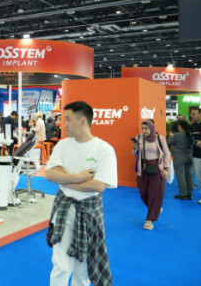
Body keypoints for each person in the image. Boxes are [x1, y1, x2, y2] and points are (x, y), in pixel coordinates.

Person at [45, 101, 117, 286]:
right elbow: (50, 174)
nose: (64, 124)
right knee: (60, 265)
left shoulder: (104, 150)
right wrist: (79, 177)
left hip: (89, 214)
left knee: (83, 270)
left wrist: (65, 180)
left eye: (68, 119)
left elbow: (98, 185)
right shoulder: (62, 145)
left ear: (82, 121)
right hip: (64, 211)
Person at [131, 120, 171, 230]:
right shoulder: (139, 137)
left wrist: (166, 168)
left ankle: (149, 220)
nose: (144, 131)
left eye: (146, 128)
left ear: (151, 128)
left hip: (156, 169)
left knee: (153, 194)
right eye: (142, 128)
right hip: (143, 169)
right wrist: (134, 147)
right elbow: (135, 153)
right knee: (143, 193)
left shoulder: (159, 138)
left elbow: (167, 153)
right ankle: (156, 208)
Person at [167, 120, 194, 200]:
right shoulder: (190, 134)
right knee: (188, 176)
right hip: (189, 157)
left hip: (179, 157)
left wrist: (170, 136)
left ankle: (183, 194)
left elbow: (169, 142)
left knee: (181, 176)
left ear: (180, 126)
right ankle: (189, 194)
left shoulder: (177, 135)